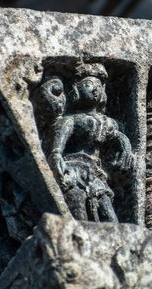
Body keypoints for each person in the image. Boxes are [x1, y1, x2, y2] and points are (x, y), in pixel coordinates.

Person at [47, 63, 133, 223]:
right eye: (89, 85)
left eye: (99, 86)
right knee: (79, 216)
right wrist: (57, 157)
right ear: (76, 89)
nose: (95, 90)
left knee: (110, 217)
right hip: (73, 171)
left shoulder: (108, 122)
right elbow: (57, 149)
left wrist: (126, 146)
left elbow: (117, 137)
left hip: (96, 174)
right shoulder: (69, 120)